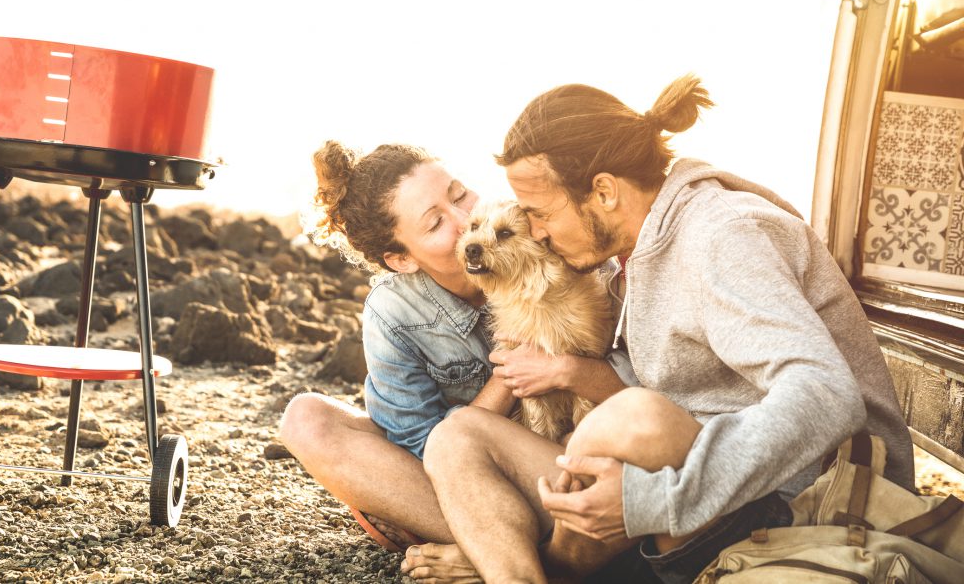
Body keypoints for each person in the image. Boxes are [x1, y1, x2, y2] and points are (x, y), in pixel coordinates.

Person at [413, 76, 915, 584]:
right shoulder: (635, 255)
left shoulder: (721, 235)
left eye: (541, 214)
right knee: (455, 437)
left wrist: (653, 501)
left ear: (604, 191)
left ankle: (549, 565)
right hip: (693, 499)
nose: (537, 231)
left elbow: (827, 394)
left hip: (798, 509)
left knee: (637, 417)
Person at [278, 141, 629, 560]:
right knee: (306, 419)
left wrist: (566, 368)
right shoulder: (394, 312)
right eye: (434, 223)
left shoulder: (553, 245)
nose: (466, 223)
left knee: (586, 438)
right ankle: (500, 543)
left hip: (560, 460)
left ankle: (490, 551)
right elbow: (425, 452)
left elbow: (642, 389)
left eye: (460, 194)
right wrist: (510, 373)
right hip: (465, 476)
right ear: (402, 260)